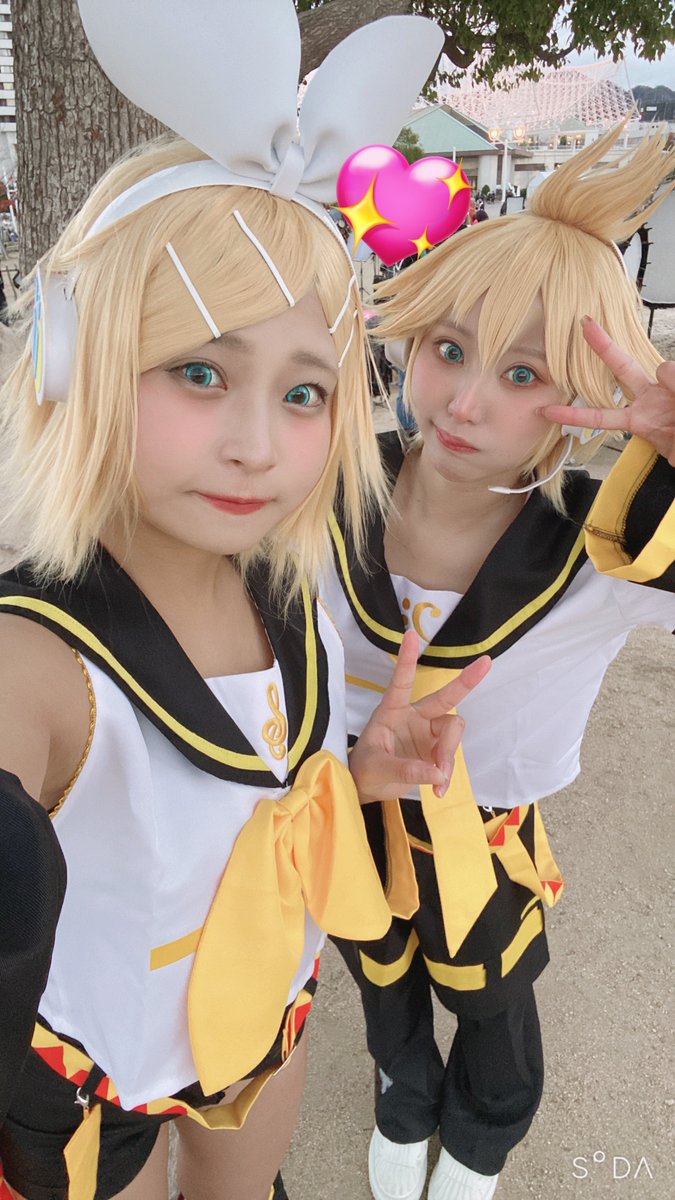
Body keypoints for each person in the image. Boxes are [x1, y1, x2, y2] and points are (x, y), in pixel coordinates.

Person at [0, 4, 494, 1199]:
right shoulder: (36, 660)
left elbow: (247, 797)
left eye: (303, 393)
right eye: (200, 371)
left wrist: (357, 773)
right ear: (73, 359)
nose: (256, 445)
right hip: (92, 1080)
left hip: (269, 1006)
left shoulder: (288, 590)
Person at [321, 122, 675, 1200]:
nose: (466, 402)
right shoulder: (323, 488)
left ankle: (482, 1131)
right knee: (376, 966)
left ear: (589, 393)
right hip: (343, 794)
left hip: (487, 828)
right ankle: (403, 1093)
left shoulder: (604, 544)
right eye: (449, 349)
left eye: (524, 374)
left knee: (492, 987)